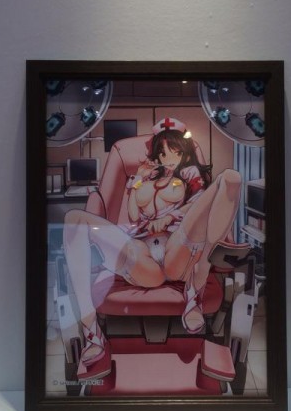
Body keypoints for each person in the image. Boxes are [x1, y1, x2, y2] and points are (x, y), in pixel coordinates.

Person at [63, 117, 242, 378]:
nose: (169, 158)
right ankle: (92, 333)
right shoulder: (143, 181)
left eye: (175, 152)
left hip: (178, 247)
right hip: (143, 252)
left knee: (231, 178)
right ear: (156, 155)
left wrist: (170, 217)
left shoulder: (190, 175)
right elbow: (134, 215)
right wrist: (138, 179)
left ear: (185, 152)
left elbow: (200, 207)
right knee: (73, 219)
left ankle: (195, 289)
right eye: (163, 153)